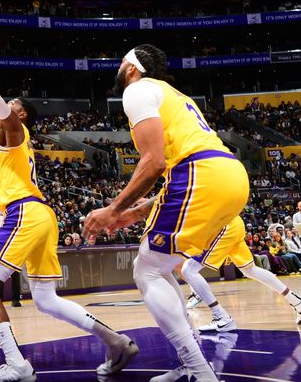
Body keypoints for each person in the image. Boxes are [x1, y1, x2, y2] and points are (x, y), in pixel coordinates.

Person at [0, 49, 137, 382]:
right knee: (45, 299)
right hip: (40, 215)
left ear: (22, 116)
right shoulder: (2, 149)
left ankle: (18, 364)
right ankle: (115, 342)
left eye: (15, 105)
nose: (8, 107)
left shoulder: (16, 132)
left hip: (23, 211)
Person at [83, 45, 250, 382]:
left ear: (132, 67)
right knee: (160, 266)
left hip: (201, 173)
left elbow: (154, 162)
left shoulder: (137, 89)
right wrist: (136, 211)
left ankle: (200, 371)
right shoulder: (169, 92)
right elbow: (174, 165)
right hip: (229, 175)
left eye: (120, 62)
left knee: (147, 271)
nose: (117, 69)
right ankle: (192, 365)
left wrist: (112, 209)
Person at [177, 216, 301, 337]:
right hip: (234, 222)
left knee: (189, 270)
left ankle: (221, 318)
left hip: (222, 225)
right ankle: (298, 302)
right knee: (249, 270)